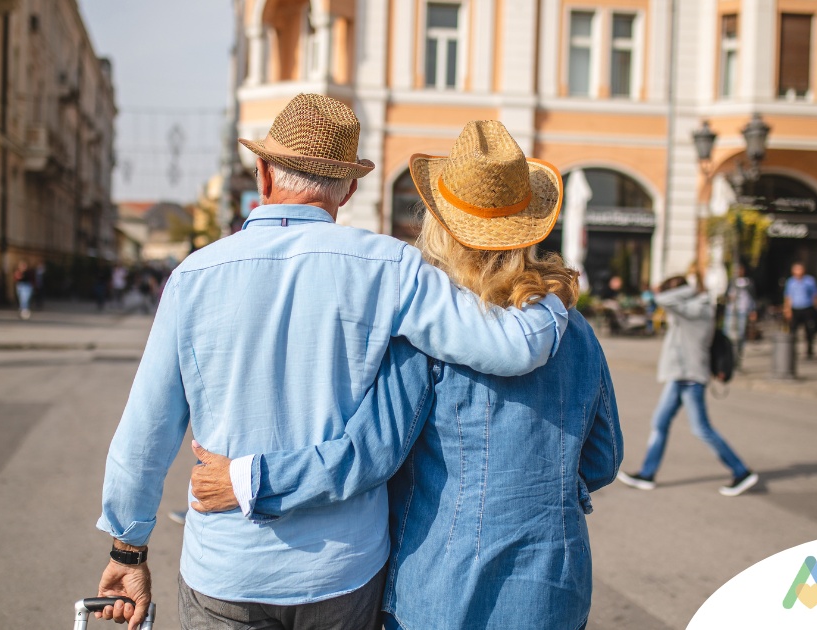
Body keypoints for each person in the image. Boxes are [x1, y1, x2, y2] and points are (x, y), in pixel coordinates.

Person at [94, 96, 569, 630]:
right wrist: (551, 292)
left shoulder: (194, 276)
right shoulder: (390, 267)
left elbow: (144, 434)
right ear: (349, 189)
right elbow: (512, 348)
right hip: (342, 570)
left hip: (226, 569)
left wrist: (127, 550)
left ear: (263, 173)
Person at [187, 120, 622, 629]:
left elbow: (368, 455)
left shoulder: (430, 333)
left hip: (443, 585)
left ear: (440, 222)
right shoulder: (574, 329)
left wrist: (250, 479)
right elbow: (602, 458)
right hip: (555, 588)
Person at [617, 274, 759, 497]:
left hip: (690, 377)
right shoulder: (690, 308)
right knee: (660, 422)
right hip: (679, 376)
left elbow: (663, 299)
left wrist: (687, 289)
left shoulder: (698, 310)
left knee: (701, 428)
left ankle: (741, 472)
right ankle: (647, 474)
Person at [784, 263, 817, 359]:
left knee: (809, 329)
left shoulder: (809, 281)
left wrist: (816, 308)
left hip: (807, 307)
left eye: (800, 269)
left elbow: (815, 295)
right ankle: (792, 350)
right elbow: (788, 296)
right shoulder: (790, 282)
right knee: (793, 330)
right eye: (796, 270)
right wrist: (787, 309)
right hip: (795, 308)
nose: (798, 272)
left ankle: (809, 350)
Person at [725, 264, 756, 362]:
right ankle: (729, 355)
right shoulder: (731, 282)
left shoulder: (748, 282)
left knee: (741, 334)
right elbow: (726, 296)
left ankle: (738, 354)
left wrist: (753, 311)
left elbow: (753, 297)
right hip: (731, 311)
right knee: (728, 333)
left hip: (743, 311)